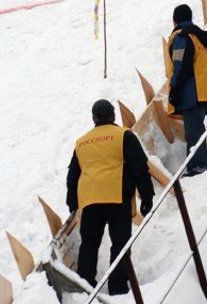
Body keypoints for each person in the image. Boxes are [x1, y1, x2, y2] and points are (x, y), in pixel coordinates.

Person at [66, 99, 154, 295]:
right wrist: (146, 197)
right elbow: (140, 168)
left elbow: (73, 176)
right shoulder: (123, 135)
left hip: (90, 201)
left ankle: (85, 287)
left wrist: (72, 203)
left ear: (93, 118)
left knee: (89, 244)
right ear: (113, 116)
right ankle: (118, 287)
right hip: (117, 197)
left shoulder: (82, 142)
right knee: (120, 243)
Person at [167, 4, 207, 176]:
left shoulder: (182, 37)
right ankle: (196, 164)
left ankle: (198, 165)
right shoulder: (200, 36)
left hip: (191, 93)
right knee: (195, 128)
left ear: (175, 20)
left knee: (194, 131)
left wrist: (174, 90)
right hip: (205, 91)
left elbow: (179, 65)